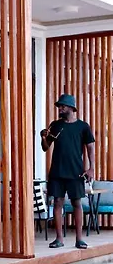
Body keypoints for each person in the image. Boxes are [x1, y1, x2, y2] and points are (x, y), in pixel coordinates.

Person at [40, 94, 95, 249]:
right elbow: (45, 148)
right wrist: (43, 137)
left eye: (63, 106)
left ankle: (79, 239)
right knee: (58, 202)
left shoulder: (83, 127)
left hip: (76, 171)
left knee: (77, 203)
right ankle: (59, 239)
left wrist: (91, 168)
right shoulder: (55, 125)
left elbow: (90, 147)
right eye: (59, 106)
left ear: (71, 107)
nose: (60, 108)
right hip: (57, 171)